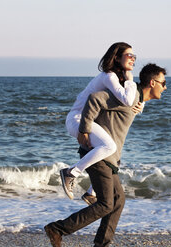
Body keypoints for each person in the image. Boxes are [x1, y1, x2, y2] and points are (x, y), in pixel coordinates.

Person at [45, 63, 167, 247]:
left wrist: (140, 105)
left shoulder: (136, 101)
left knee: (118, 201)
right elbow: (95, 99)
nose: (165, 87)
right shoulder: (129, 98)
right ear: (152, 82)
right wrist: (84, 131)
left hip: (110, 159)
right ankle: (58, 229)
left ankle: (101, 244)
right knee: (105, 204)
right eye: (163, 82)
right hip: (98, 155)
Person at [61, 42, 144, 200]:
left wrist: (141, 105)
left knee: (113, 150)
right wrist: (131, 79)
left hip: (88, 119)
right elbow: (127, 100)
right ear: (117, 57)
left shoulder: (116, 79)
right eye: (129, 55)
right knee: (109, 146)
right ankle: (70, 173)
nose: (133, 59)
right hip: (77, 118)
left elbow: (129, 100)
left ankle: (92, 192)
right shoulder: (109, 76)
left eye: (134, 56)